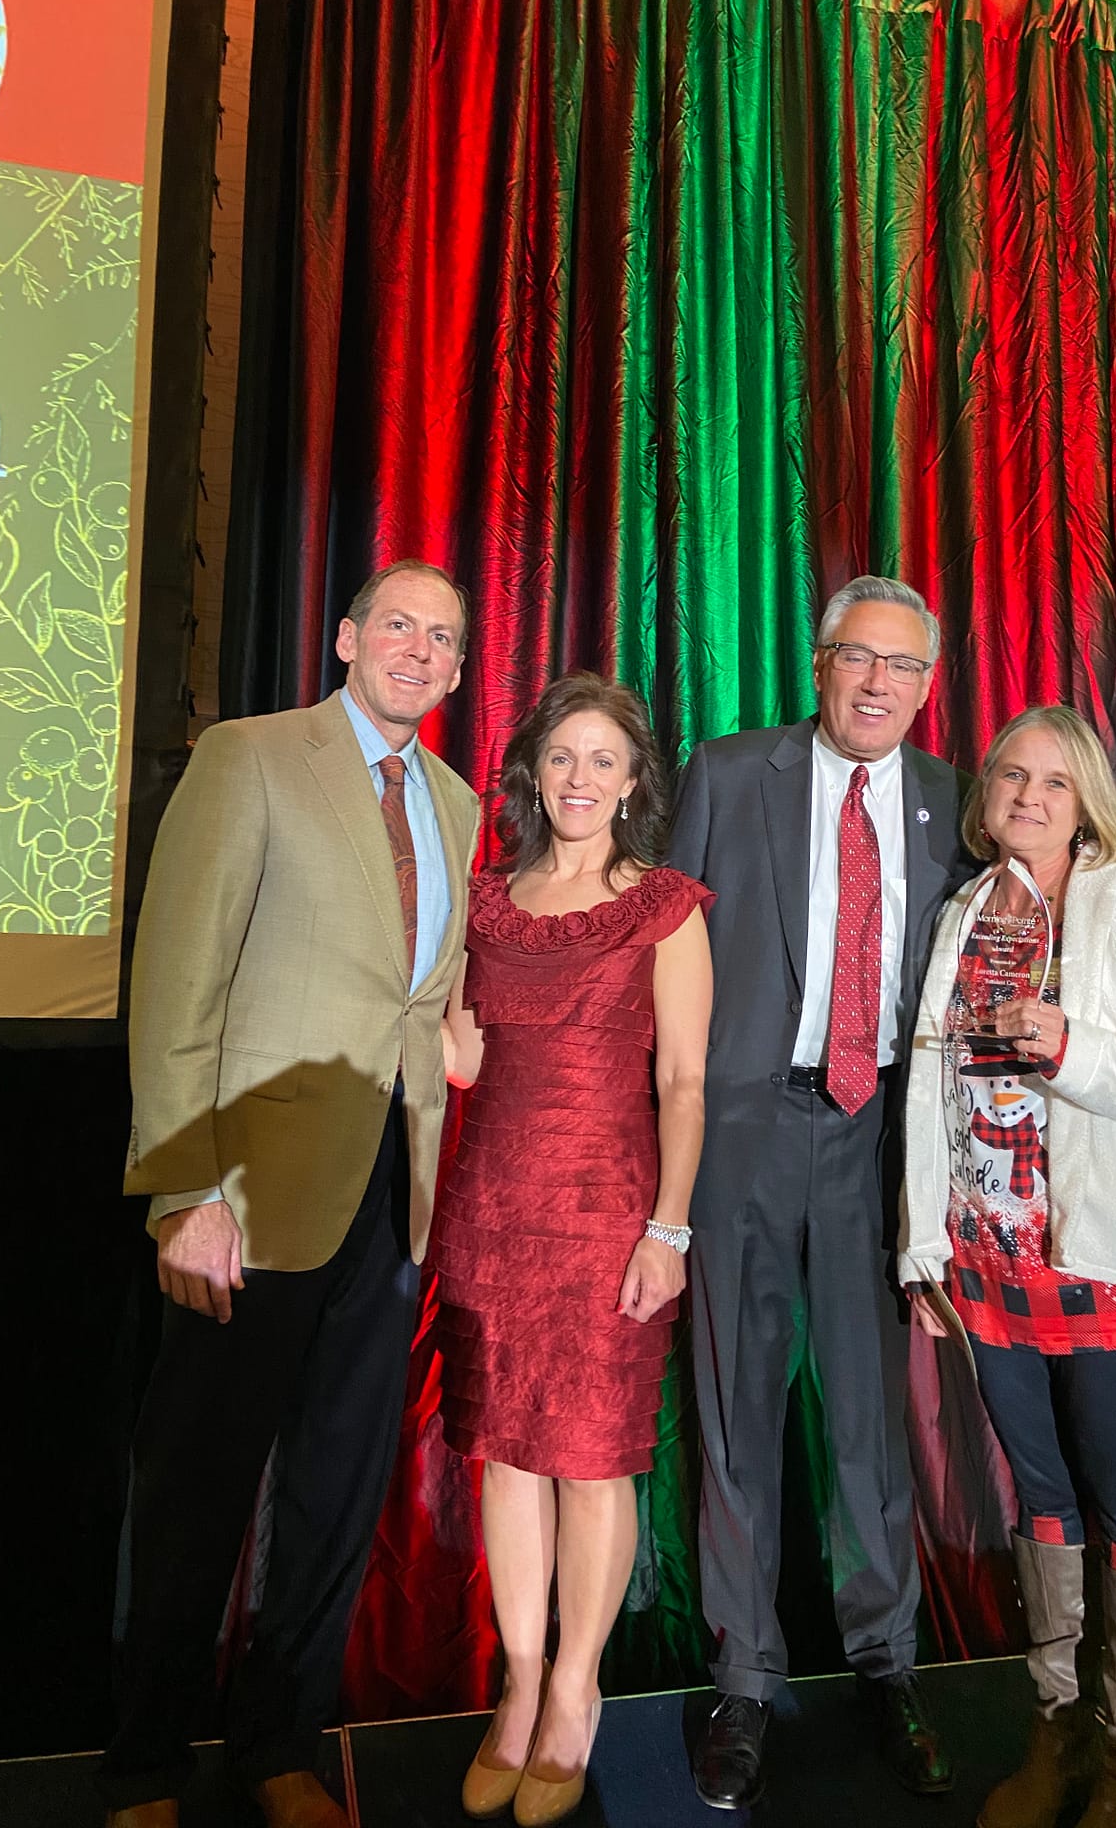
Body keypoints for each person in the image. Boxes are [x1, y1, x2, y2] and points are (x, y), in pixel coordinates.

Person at [101, 561, 480, 1828]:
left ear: (461, 669)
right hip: (249, 1198)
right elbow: (177, 982)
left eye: (444, 638)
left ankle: (281, 1748)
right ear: (345, 636)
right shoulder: (251, 758)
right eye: (399, 627)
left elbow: (417, 999)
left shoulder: (460, 806)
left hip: (390, 1203)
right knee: (199, 1486)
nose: (419, 650)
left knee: (331, 1496)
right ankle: (146, 1763)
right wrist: (183, 1189)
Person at [898, 705, 1116, 1828]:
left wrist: (1073, 1046)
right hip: (991, 1265)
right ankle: (1055, 1731)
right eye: (1012, 775)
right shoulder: (962, 913)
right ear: (986, 792)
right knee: (1043, 1503)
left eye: (1055, 781)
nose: (1030, 796)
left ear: (1085, 797)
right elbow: (926, 1090)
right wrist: (920, 1242)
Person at [668, 574, 976, 1809]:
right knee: (736, 1407)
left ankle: (887, 1665)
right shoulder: (731, 772)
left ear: (926, 685)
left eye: (901, 668)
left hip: (876, 1137)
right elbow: (669, 947)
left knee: (868, 1418)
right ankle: (743, 1677)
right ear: (818, 662)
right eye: (857, 658)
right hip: (743, 1126)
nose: (876, 685)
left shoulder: (951, 799)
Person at [436, 672, 713, 1827]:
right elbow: (453, 1048)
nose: (581, 779)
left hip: (611, 1217)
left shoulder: (669, 905)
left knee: (594, 1464)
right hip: (491, 1211)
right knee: (506, 1456)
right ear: (533, 776)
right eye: (562, 758)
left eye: (603, 760)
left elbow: (685, 1080)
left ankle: (576, 1694)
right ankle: (517, 1681)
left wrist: (669, 1227)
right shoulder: (485, 901)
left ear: (634, 781)